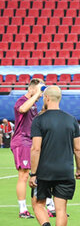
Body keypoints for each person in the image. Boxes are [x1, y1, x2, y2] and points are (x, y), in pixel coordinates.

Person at [28, 86, 80, 226]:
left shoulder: (39, 120)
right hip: (65, 171)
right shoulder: (71, 120)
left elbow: (36, 149)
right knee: (61, 209)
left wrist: (33, 173)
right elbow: (78, 149)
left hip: (44, 171)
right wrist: (79, 169)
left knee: (38, 204)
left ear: (46, 98)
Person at [12, 78, 44, 218]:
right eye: (38, 90)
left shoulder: (34, 105)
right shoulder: (21, 101)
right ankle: (22, 209)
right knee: (24, 175)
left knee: (37, 174)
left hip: (31, 141)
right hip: (22, 141)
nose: (40, 94)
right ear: (31, 89)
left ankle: (43, 205)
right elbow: (22, 109)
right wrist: (36, 95)